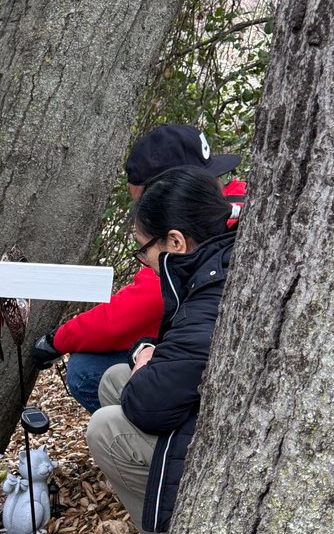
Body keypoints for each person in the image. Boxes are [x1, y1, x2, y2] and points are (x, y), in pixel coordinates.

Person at [32, 124, 245, 411]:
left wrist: (58, 340)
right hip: (206, 355)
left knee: (85, 371)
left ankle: (148, 448)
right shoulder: (234, 204)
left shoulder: (189, 239)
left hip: (197, 371)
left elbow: (134, 310)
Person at [86, 166, 237, 534]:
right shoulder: (214, 262)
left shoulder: (212, 291)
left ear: (175, 242)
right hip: (204, 412)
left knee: (105, 427)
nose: (145, 261)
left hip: (219, 444)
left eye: (143, 250)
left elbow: (150, 404)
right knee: (113, 379)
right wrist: (147, 355)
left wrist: (144, 366)